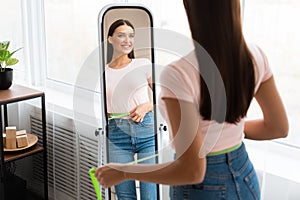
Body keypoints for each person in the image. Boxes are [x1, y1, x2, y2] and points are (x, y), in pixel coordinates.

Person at [96, 1, 289, 200]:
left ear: (191, 11)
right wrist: (230, 129)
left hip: (204, 189)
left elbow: (192, 171)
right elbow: (277, 127)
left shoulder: (179, 73)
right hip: (245, 176)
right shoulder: (255, 55)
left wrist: (123, 172)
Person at [104, 19, 157, 200]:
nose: (127, 40)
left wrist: (148, 105)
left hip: (146, 129)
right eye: (121, 35)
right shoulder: (103, 72)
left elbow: (163, 95)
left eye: (131, 36)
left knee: (150, 194)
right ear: (110, 39)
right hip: (117, 132)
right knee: (124, 195)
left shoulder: (142, 63)